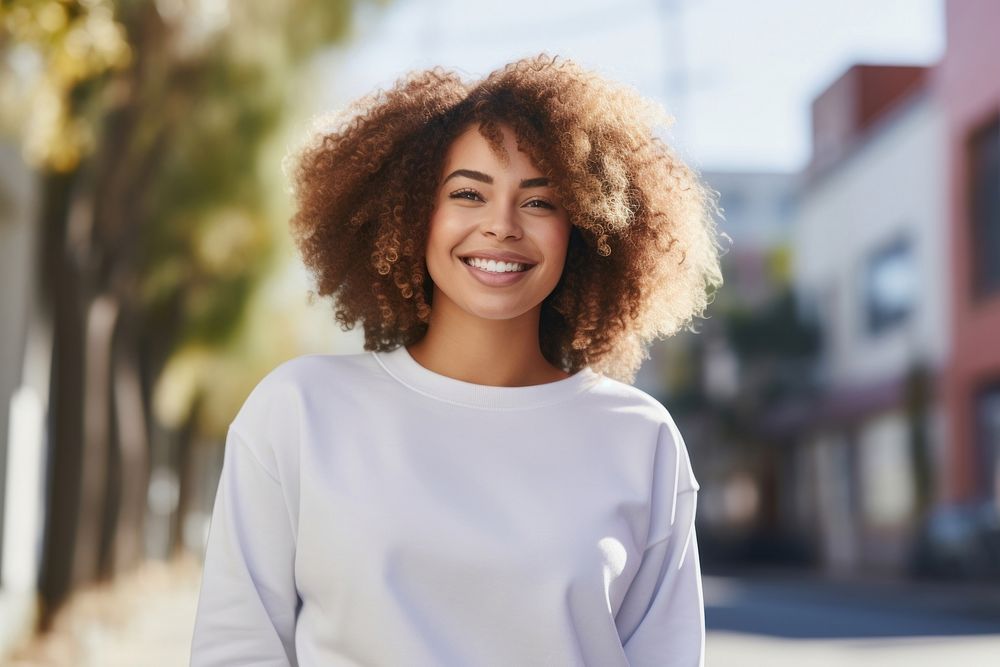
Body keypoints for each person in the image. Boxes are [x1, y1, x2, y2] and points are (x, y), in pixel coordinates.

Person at [190, 54, 723, 666]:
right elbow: (236, 649)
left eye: (540, 202)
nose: (500, 225)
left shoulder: (641, 437)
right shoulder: (299, 411)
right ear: (411, 214)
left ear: (584, 226)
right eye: (468, 193)